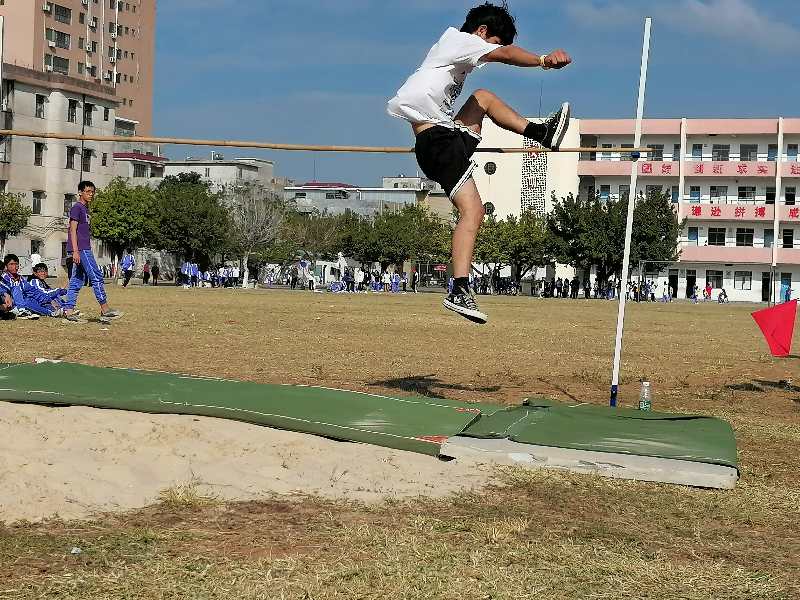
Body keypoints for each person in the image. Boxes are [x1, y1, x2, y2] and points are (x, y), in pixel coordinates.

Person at [387, 2, 571, 323]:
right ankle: (459, 289)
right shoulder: (458, 42)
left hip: (445, 139)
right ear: (482, 33)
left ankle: (541, 134)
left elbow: (498, 56)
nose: (490, 54)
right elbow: (507, 55)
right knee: (473, 210)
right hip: (438, 145)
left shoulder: (453, 58)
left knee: (482, 98)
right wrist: (543, 61)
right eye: (493, 44)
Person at [62, 182, 123, 322]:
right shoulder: (77, 208)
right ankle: (105, 309)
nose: (91, 194)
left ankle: (69, 311)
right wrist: (76, 251)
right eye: (88, 191)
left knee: (76, 280)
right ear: (80, 192)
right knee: (96, 277)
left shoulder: (85, 209)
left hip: (83, 247)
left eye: (92, 192)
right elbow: (72, 229)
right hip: (81, 249)